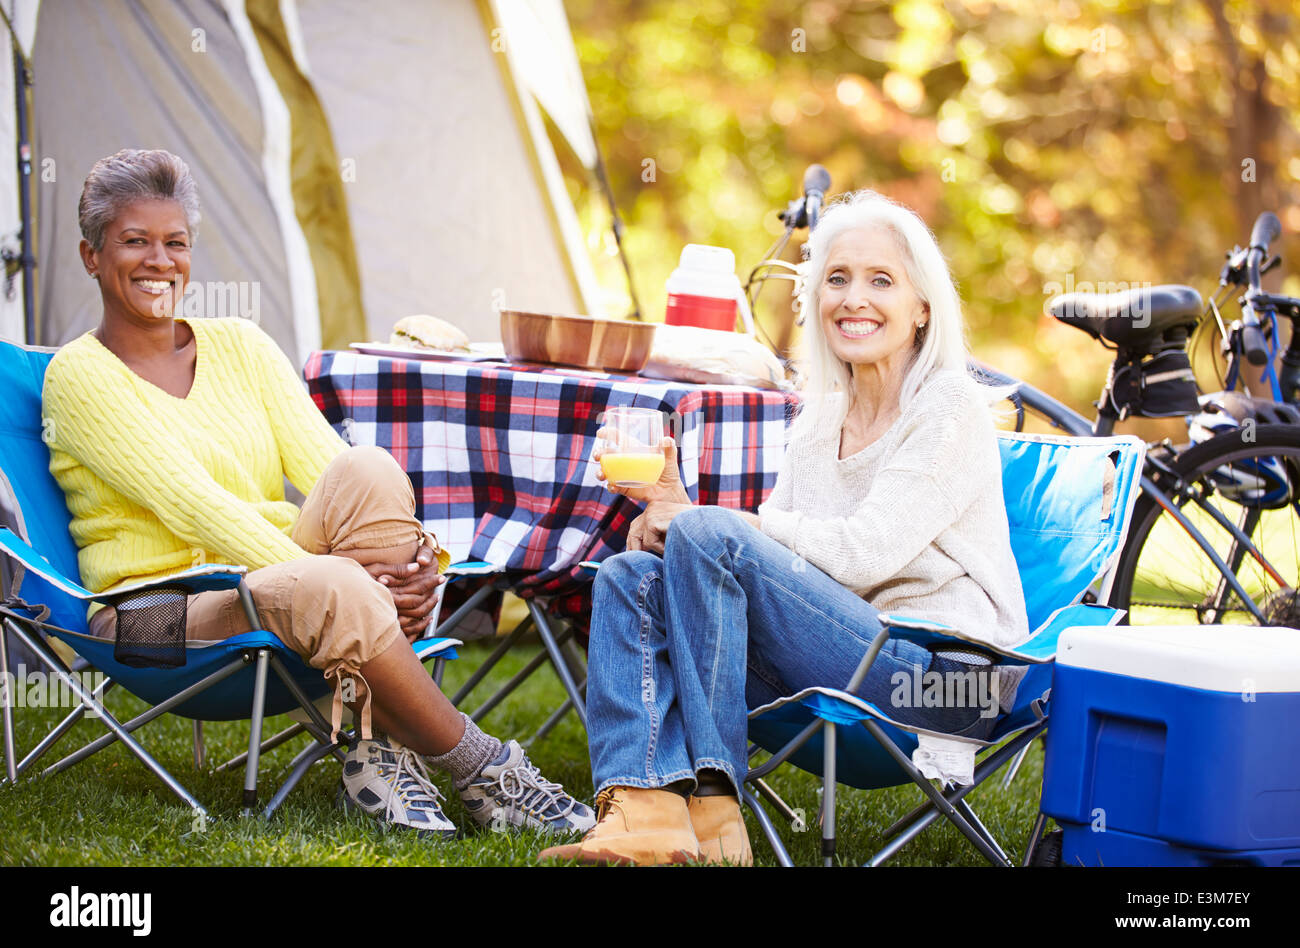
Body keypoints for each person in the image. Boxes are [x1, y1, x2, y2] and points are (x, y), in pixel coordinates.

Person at [44, 148, 594, 838]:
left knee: (368, 467)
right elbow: (193, 504)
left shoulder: (240, 345)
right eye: (134, 242)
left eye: (174, 242)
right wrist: (336, 577)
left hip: (258, 581)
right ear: (92, 256)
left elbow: (330, 466)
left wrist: (422, 561)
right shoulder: (79, 375)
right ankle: (488, 773)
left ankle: (377, 756)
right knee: (331, 587)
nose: (159, 260)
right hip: (150, 618)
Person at [540, 190, 1029, 865]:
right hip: (841, 660)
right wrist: (675, 504)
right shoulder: (819, 422)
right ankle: (644, 812)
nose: (853, 297)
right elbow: (777, 563)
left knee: (709, 534)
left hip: (946, 685)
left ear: (922, 308)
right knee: (631, 575)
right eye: (837, 278)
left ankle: (715, 811)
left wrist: (707, 524)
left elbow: (861, 554)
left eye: (880, 280)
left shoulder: (948, 409)